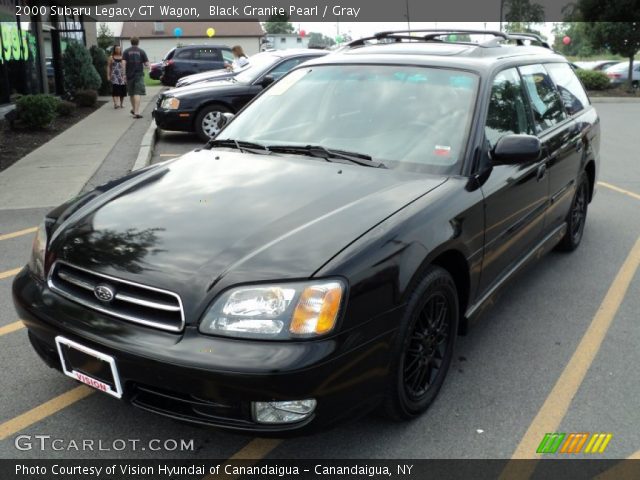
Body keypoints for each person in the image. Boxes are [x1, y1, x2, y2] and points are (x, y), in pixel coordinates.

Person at [122, 37, 149, 119]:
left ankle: (134, 109)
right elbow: (147, 64)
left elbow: (123, 63)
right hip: (139, 75)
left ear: (131, 42)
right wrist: (149, 66)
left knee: (131, 93)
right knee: (137, 93)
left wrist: (124, 75)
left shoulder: (126, 51)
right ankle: (136, 112)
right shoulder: (141, 51)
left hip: (129, 75)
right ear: (138, 42)